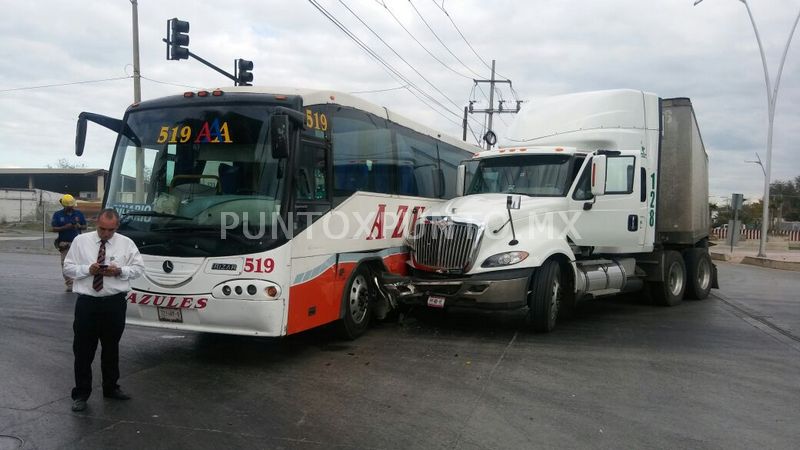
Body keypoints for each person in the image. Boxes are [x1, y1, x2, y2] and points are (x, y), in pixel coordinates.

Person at [63, 208, 144, 412]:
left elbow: (139, 269)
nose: (106, 234)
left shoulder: (126, 243)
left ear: (117, 226)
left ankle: (111, 388)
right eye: (102, 229)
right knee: (83, 350)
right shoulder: (81, 242)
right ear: (95, 224)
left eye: (110, 230)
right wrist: (86, 270)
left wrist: (120, 271)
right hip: (87, 303)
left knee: (111, 348)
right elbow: (68, 267)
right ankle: (81, 394)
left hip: (114, 303)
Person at [51, 194, 87, 292]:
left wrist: (79, 226)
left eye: (72, 205)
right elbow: (53, 228)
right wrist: (65, 227)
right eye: (69, 206)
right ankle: (70, 284)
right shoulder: (57, 215)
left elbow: (85, 226)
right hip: (64, 243)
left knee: (79, 264)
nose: (71, 207)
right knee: (66, 264)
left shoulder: (79, 214)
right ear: (64, 205)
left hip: (78, 243)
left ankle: (79, 282)